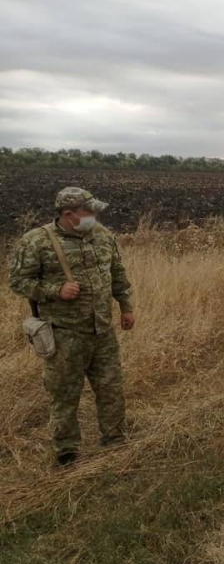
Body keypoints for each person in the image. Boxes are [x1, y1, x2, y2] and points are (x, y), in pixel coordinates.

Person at [9, 187, 134, 467]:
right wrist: (55, 290)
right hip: (64, 333)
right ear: (69, 214)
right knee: (64, 394)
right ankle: (66, 452)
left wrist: (126, 306)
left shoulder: (103, 237)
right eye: (89, 212)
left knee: (111, 388)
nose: (94, 216)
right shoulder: (37, 242)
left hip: (102, 330)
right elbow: (18, 282)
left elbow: (117, 273)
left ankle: (115, 441)